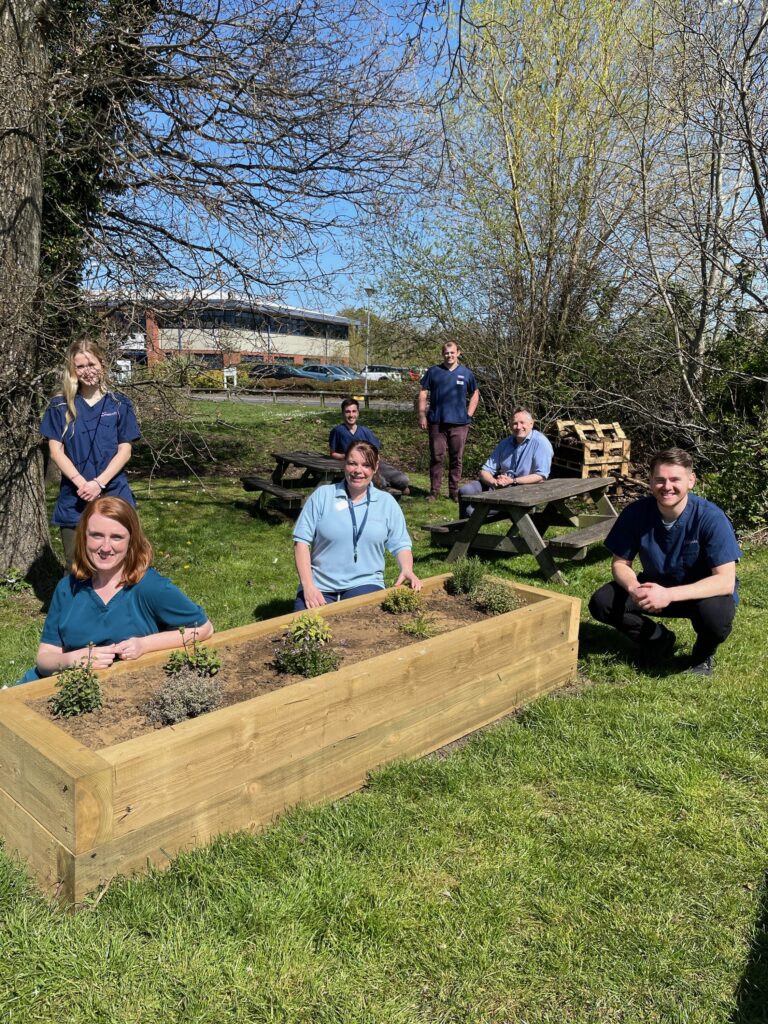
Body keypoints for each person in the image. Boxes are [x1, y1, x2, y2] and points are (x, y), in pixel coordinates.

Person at [16, 497, 213, 684]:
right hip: (56, 685)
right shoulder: (68, 588)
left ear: (131, 542)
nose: (105, 547)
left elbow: (203, 628)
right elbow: (44, 660)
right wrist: (73, 660)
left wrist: (144, 645)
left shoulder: (149, 586)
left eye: (117, 537)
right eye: (96, 535)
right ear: (84, 537)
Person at [588, 448, 741, 676]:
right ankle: (657, 638)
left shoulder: (710, 518)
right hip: (654, 586)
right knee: (603, 602)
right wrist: (635, 588)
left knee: (715, 616)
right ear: (650, 482)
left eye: (674, 479)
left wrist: (669, 595)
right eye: (659, 479)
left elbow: (725, 582)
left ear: (691, 480)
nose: (667, 486)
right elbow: (620, 563)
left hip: (699, 594)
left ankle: (703, 654)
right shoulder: (636, 513)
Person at [41, 339, 141, 566]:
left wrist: (98, 483)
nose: (88, 371)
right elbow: (56, 451)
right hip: (75, 498)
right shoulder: (60, 406)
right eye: (81, 366)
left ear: (102, 364)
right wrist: (81, 483)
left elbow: (125, 451)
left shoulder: (119, 404)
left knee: (121, 565)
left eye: (92, 364)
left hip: (113, 493)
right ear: (72, 370)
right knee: (76, 567)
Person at [293, 440, 421, 610]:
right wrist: (308, 586)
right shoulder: (322, 496)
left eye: (366, 465)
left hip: (365, 583)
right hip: (320, 585)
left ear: (375, 468)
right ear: (344, 464)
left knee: (361, 632)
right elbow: (301, 542)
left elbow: (400, 543)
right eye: (353, 463)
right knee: (307, 634)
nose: (358, 471)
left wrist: (406, 568)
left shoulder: (386, 503)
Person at [458, 407, 554, 517]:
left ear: (531, 424)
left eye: (522, 423)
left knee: (471, 512)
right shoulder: (505, 443)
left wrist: (513, 481)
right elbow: (484, 471)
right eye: (515, 423)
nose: (518, 427)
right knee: (465, 491)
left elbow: (541, 475)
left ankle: (465, 531)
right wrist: (494, 482)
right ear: (510, 425)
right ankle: (463, 530)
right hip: (499, 487)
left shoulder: (540, 443)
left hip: (524, 491)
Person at [418, 341, 479, 501]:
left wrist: (469, 414)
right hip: (437, 422)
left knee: (456, 458)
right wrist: (422, 415)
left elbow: (475, 393)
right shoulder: (433, 372)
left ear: (458, 353)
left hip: (459, 423)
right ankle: (434, 492)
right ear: (442, 354)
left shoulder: (466, 373)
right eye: (446, 353)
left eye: (452, 352)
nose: (449, 355)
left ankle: (454, 492)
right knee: (437, 457)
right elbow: (423, 393)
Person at [328, 397, 410, 493]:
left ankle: (398, 485)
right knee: (380, 483)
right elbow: (333, 453)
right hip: (357, 466)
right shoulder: (337, 431)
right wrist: (346, 456)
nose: (351, 415)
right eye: (348, 412)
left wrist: (375, 463)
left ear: (358, 413)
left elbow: (376, 451)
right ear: (343, 413)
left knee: (402, 479)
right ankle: (389, 488)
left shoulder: (365, 431)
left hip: (372, 462)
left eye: (354, 411)